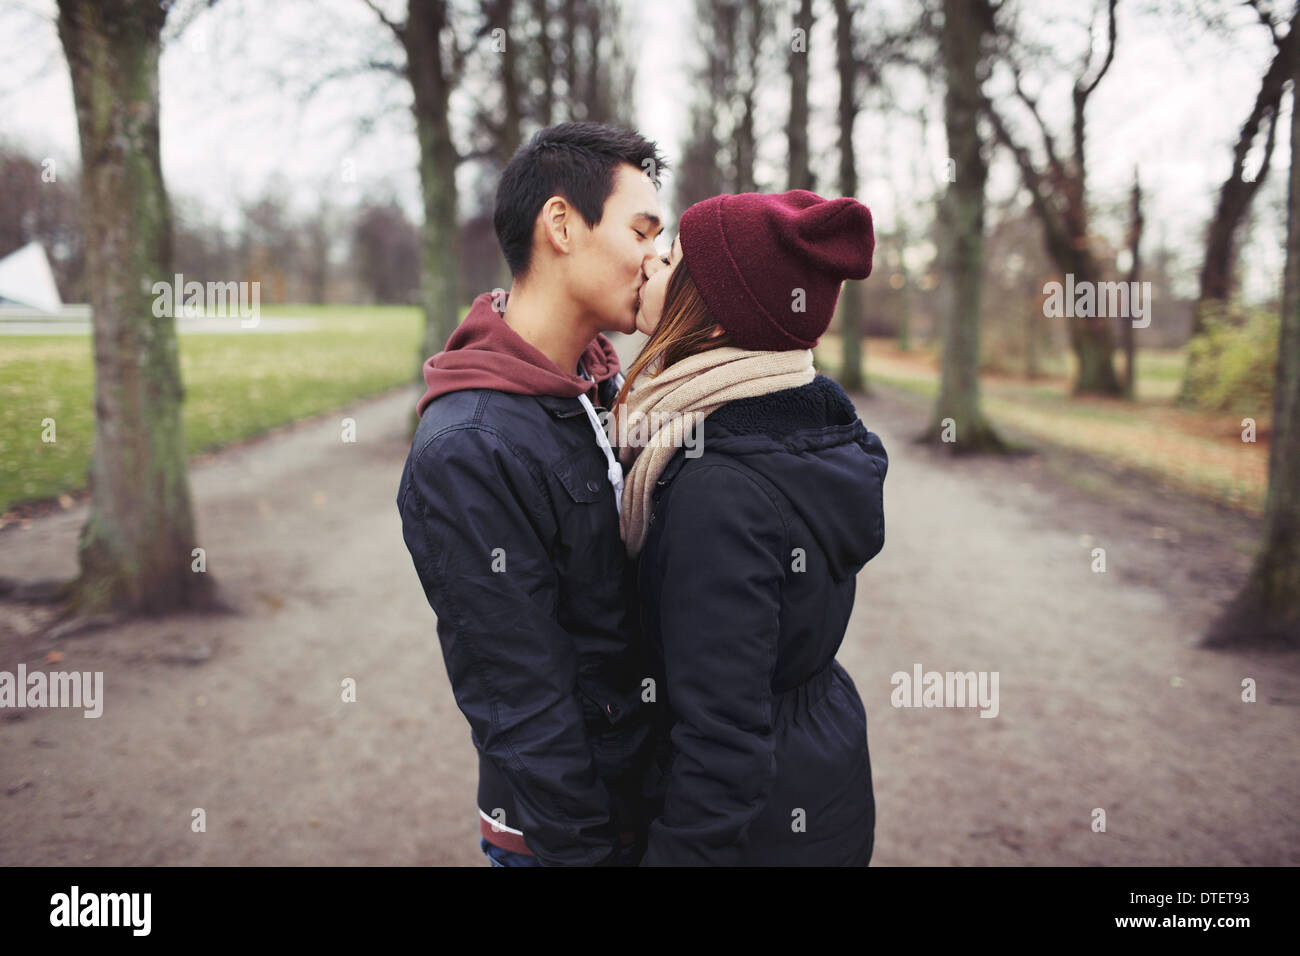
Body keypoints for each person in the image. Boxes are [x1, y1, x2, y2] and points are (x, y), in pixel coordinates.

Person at [396, 122, 669, 866]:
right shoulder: (467, 448)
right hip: (567, 839)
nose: (658, 256)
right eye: (642, 231)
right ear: (560, 225)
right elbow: (523, 700)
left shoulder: (598, 381)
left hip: (642, 806)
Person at [612, 189, 888, 866]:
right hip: (819, 780)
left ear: (710, 322)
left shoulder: (719, 489)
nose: (649, 263)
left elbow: (722, 746)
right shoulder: (802, 427)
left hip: (757, 834)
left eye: (670, 258)